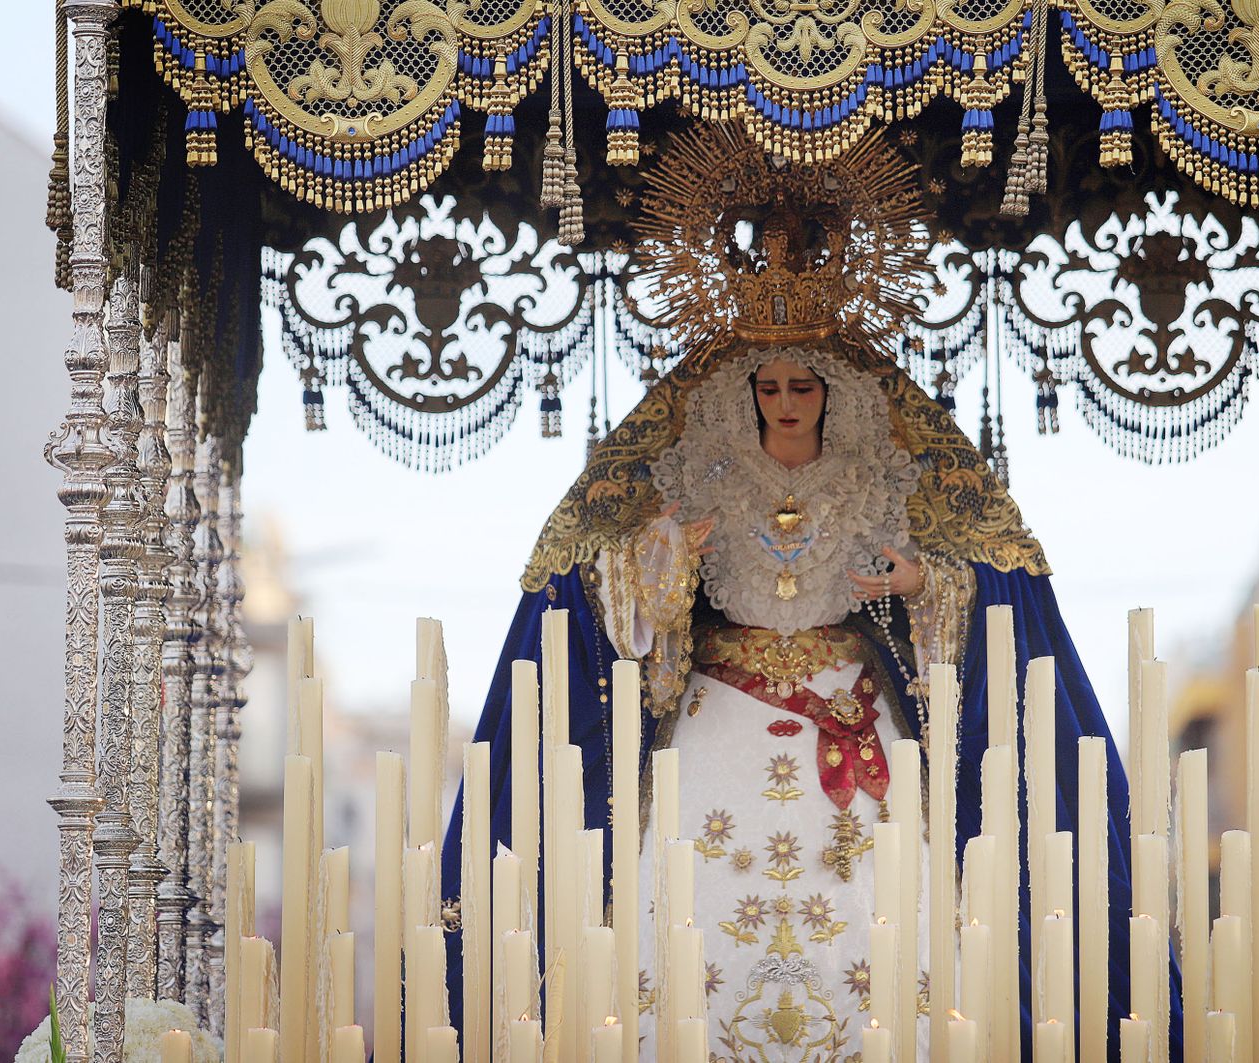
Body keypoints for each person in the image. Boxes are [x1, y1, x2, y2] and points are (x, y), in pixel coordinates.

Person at [439, 127, 1182, 1060]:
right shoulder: (695, 471)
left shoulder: (885, 474)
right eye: (770, 385)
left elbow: (993, 584)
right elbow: (591, 594)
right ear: (745, 390)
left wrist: (923, 585)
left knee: (882, 918)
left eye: (802, 385)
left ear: (833, 392)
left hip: (854, 718)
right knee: (688, 910)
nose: (786, 402)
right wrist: (655, 566)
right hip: (717, 723)